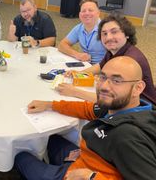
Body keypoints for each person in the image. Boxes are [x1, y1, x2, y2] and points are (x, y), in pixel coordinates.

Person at [15, 56, 156, 180]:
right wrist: (49, 105)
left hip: (82, 174)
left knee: (20, 157)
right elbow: (88, 110)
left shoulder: (127, 136)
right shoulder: (118, 106)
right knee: (51, 138)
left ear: (138, 88)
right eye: (103, 77)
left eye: (117, 80)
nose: (104, 86)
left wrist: (90, 177)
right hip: (86, 158)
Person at [56, 14, 156, 105]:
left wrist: (74, 91)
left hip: (142, 107)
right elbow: (100, 66)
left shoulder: (129, 60)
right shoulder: (113, 51)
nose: (108, 37)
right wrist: (78, 73)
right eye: (104, 33)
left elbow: (110, 98)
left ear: (127, 34)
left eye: (114, 32)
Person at [58, 0, 106, 64]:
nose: (86, 13)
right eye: (83, 11)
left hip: (103, 68)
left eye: (90, 10)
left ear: (98, 13)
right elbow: (62, 45)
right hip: (85, 64)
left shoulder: (106, 29)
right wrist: (77, 54)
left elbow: (116, 55)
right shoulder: (79, 28)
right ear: (80, 14)